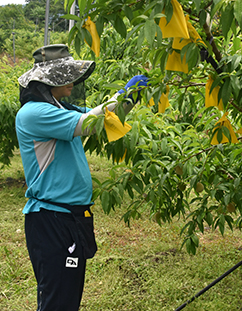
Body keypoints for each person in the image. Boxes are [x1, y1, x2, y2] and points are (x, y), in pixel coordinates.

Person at [15, 44, 147, 311]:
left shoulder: (59, 107)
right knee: (58, 301)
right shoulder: (34, 113)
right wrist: (128, 90)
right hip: (53, 219)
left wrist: (139, 90)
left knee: (67, 298)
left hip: (69, 217)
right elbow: (88, 122)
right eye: (66, 75)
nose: (73, 81)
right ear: (48, 80)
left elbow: (105, 119)